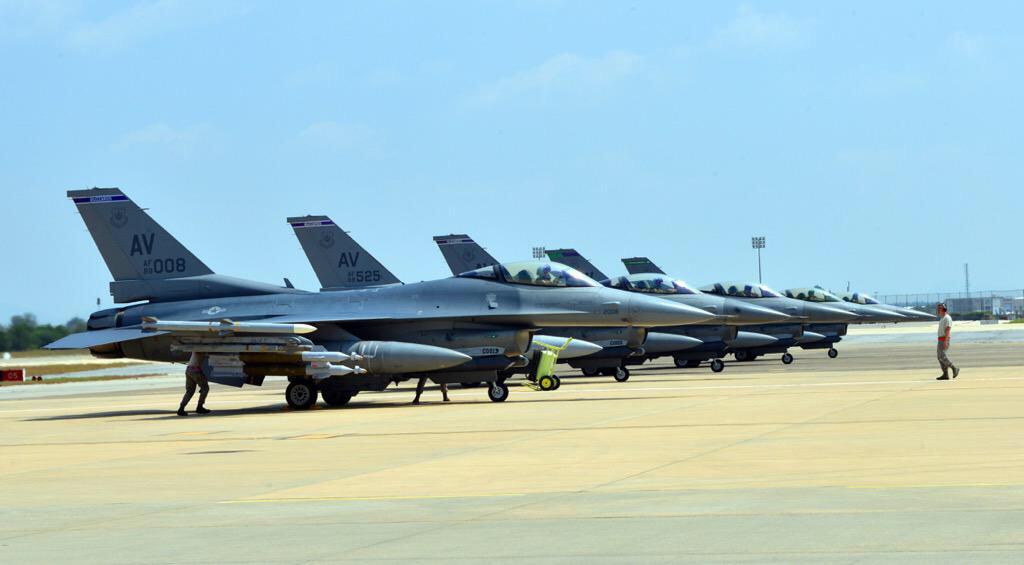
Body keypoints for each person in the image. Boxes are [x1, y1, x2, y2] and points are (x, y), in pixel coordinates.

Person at [935, 303, 960, 381]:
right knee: (939, 357)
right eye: (938, 308)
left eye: (940, 308)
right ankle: (945, 374)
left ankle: (954, 368)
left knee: (942, 356)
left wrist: (945, 341)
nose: (938, 310)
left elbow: (948, 330)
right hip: (940, 339)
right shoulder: (942, 318)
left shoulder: (947, 318)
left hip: (944, 339)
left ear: (944, 309)